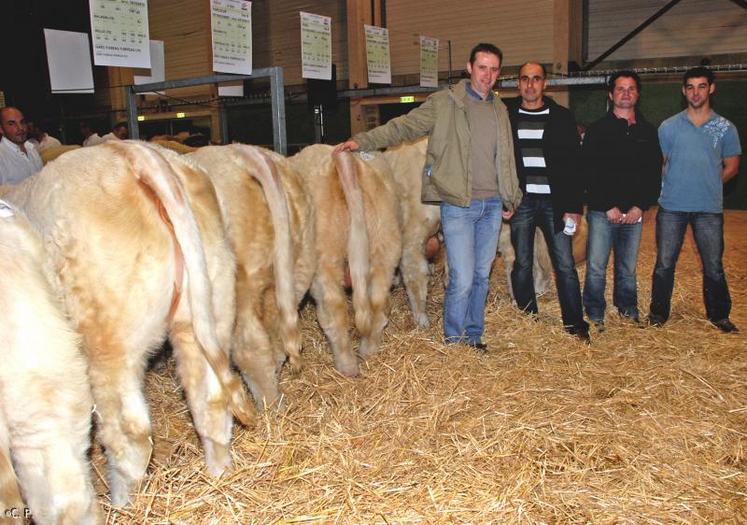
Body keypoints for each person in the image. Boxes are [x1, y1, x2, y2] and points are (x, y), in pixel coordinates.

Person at [334, 42, 522, 352]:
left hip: (491, 206)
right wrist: (362, 140)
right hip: (459, 205)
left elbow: (505, 157)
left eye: (493, 69)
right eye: (482, 67)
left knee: (481, 276)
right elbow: (405, 127)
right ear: (469, 67)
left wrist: (510, 197)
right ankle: (453, 339)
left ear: (499, 73)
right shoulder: (445, 103)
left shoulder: (499, 109)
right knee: (461, 277)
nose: (487, 75)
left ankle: (474, 336)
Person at [649, 67, 741, 333]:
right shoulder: (668, 126)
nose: (696, 92)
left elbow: (732, 166)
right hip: (672, 208)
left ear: (711, 88)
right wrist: (677, 185)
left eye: (701, 86)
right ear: (683, 91)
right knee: (665, 264)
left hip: (708, 209)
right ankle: (658, 314)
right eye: (690, 87)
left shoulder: (724, 127)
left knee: (713, 265)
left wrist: (709, 184)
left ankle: (719, 316)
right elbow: (662, 164)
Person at [504, 62, 590, 342]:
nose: (530, 85)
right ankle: (528, 316)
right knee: (523, 262)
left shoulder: (562, 117)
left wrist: (575, 207)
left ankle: (575, 323)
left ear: (545, 84)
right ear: (518, 83)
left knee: (564, 264)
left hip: (555, 202)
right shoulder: (506, 115)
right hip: (522, 201)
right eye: (525, 79)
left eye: (536, 79)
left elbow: (576, 166)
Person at [582, 71, 662, 331]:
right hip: (602, 213)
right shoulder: (597, 130)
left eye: (630, 89)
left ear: (638, 94)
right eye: (620, 89)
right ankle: (595, 313)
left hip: (634, 214)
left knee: (627, 268)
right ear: (611, 94)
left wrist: (641, 206)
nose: (625, 93)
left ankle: (628, 311)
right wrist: (607, 206)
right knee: (596, 267)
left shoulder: (648, 132)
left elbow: (652, 173)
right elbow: (588, 172)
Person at [0, 106, 44, 185]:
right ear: (1, 129)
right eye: (11, 124)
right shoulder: (2, 156)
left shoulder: (31, 148)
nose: (20, 128)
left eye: (22, 122)